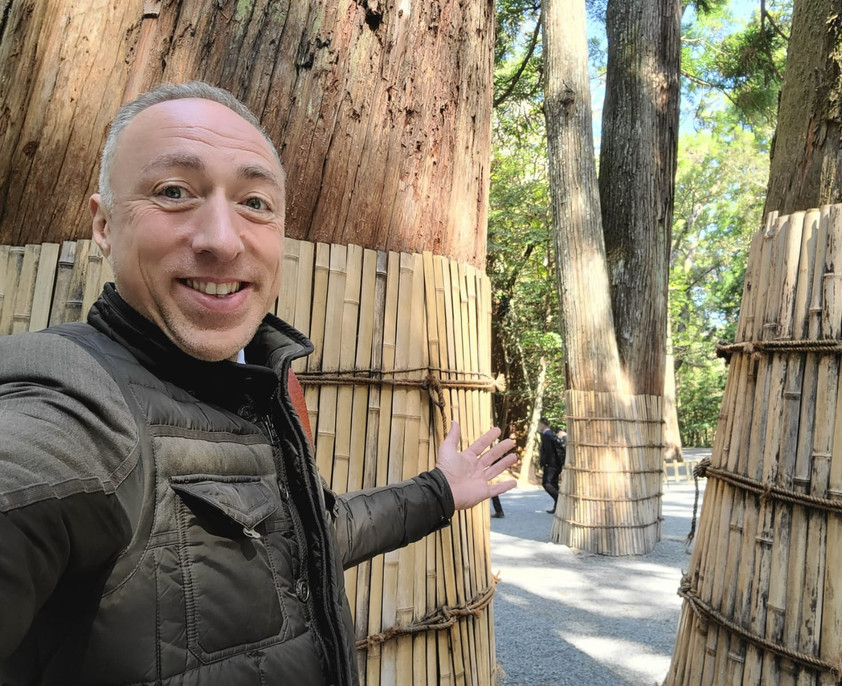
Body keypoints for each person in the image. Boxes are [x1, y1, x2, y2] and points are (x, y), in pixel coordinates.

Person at [0, 81, 517, 685]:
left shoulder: (250, 392)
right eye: (174, 192)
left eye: (254, 202)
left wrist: (441, 490)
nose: (222, 239)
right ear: (104, 224)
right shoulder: (73, 401)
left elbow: (306, 535)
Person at [538, 417, 565, 514]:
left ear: (542, 425)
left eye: (539, 424)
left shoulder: (546, 435)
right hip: (557, 463)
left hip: (551, 464)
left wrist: (545, 463)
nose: (538, 426)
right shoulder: (552, 434)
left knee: (547, 483)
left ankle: (560, 500)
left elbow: (548, 451)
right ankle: (558, 507)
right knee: (554, 484)